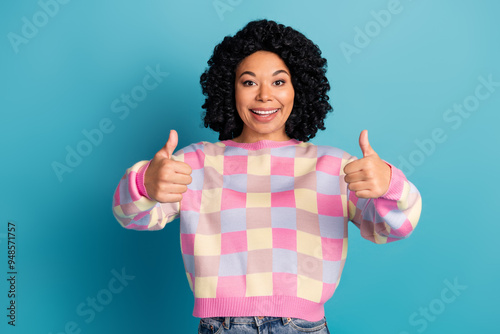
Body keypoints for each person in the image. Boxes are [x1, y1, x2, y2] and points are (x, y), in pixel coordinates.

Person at [112, 19, 421, 334]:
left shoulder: (335, 167)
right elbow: (131, 216)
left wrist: (389, 184)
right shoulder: (196, 163)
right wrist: (146, 183)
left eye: (278, 82)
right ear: (229, 89)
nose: (263, 96)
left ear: (298, 88)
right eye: (248, 82)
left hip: (302, 327)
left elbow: (393, 229)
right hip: (222, 326)